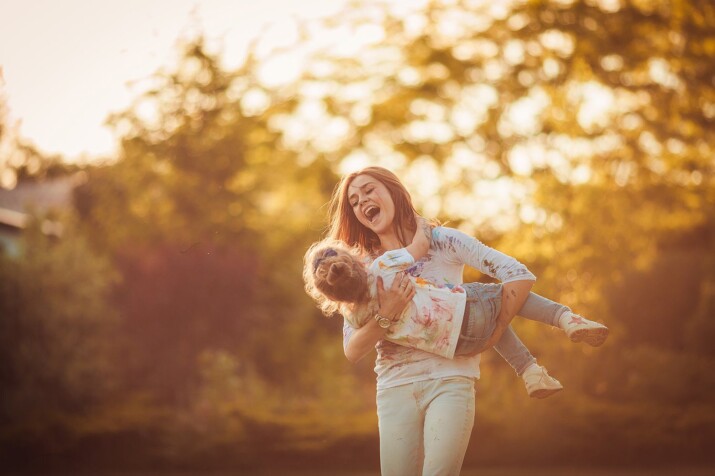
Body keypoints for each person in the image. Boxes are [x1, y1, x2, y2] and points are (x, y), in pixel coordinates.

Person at [318, 166, 608, 476]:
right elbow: (352, 348)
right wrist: (387, 313)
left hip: (451, 379)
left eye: (368, 190)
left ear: (393, 191)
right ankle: (550, 340)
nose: (362, 201)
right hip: (395, 387)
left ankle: (562, 323)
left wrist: (495, 332)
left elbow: (516, 276)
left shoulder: (442, 240)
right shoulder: (359, 268)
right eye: (353, 200)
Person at [303, 220, 607, 392]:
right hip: (462, 307)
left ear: (332, 298)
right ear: (356, 260)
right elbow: (420, 247)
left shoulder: (355, 319)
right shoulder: (383, 265)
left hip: (455, 346)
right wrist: (422, 226)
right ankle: (566, 318)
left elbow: (353, 350)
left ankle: (531, 372)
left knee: (494, 318)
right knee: (503, 299)